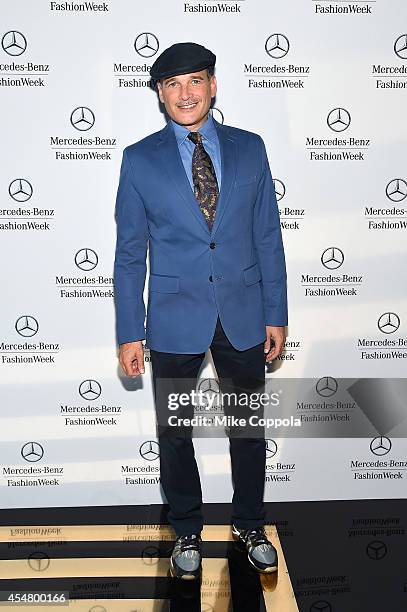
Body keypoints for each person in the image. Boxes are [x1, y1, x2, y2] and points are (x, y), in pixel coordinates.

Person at [113, 42, 288, 580]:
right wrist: (128, 332)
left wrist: (276, 312)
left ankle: (250, 524)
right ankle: (186, 528)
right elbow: (128, 253)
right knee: (175, 432)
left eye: (195, 81)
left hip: (242, 311)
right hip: (171, 318)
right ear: (160, 95)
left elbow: (268, 236)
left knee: (248, 429)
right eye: (172, 85)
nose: (185, 93)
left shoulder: (250, 148)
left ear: (213, 85)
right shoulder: (139, 159)